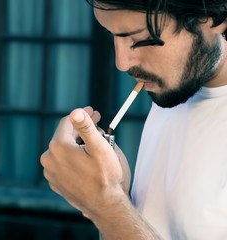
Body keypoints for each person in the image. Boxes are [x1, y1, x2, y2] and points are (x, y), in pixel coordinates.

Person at [40, 0, 227, 239]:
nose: (122, 63)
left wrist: (105, 204)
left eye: (140, 39)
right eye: (113, 35)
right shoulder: (177, 88)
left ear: (216, 16)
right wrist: (119, 193)